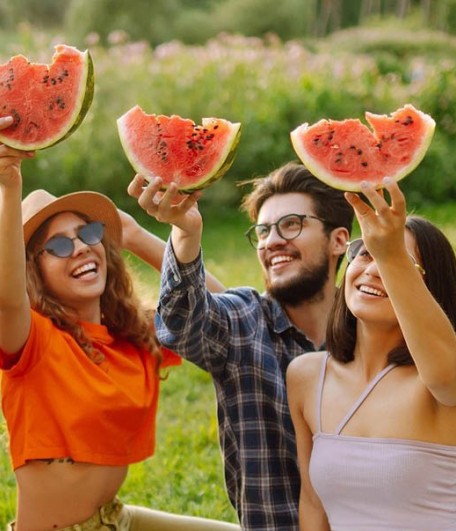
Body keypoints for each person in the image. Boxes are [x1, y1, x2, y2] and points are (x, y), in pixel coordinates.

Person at [0, 110, 240, 531]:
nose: (80, 248)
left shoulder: (131, 333)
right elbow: (5, 295)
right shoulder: (32, 342)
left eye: (90, 235)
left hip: (116, 520)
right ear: (33, 272)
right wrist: (9, 186)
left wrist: (138, 234)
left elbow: (226, 314)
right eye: (59, 246)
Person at [129, 162, 353, 530]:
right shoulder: (243, 322)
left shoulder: (372, 328)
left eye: (291, 224)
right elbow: (181, 323)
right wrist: (186, 233)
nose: (272, 241)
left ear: (338, 239)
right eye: (263, 231)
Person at [286, 178, 456, 530]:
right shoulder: (306, 376)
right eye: (365, 253)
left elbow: (446, 376)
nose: (372, 269)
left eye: (398, 263)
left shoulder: (445, 380)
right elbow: (313, 504)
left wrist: (390, 250)